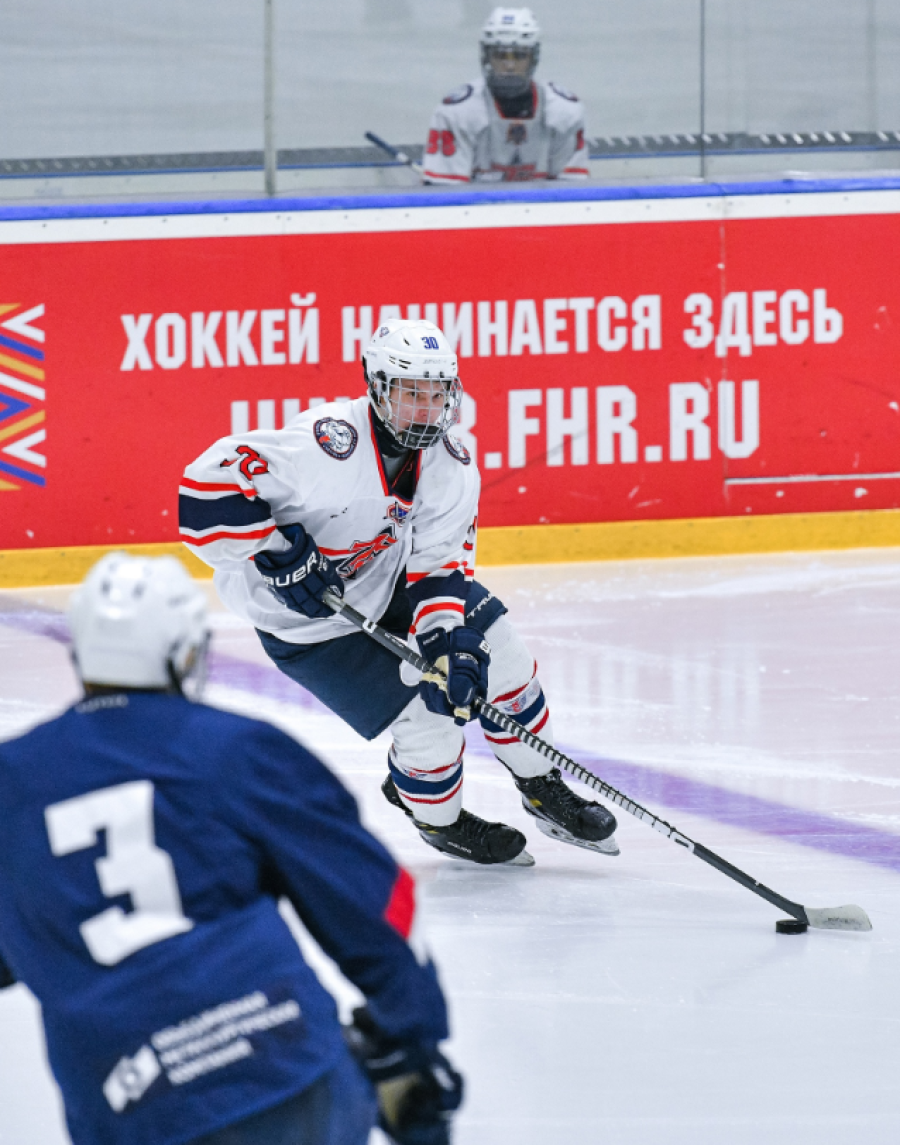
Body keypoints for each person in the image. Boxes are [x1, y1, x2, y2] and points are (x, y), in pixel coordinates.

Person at [0, 553, 461, 1145]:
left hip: (129, 1110)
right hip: (282, 1075)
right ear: (186, 654)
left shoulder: (11, 780)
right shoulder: (235, 750)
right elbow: (377, 905)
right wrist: (411, 1041)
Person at [179, 318, 618, 869]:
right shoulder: (327, 445)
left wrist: (444, 643)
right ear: (377, 384)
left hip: (389, 584)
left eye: (437, 395)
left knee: (499, 656)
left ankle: (542, 785)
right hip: (311, 626)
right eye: (412, 393)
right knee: (427, 725)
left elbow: (438, 563)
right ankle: (440, 822)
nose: (426, 410)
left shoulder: (450, 463)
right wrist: (276, 549)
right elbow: (202, 493)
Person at [422, 7, 589, 185]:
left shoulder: (563, 112)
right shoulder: (457, 113)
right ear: (486, 57)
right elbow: (445, 197)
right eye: (500, 55)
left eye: (519, 56)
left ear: (533, 58)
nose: (509, 66)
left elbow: (571, 193)